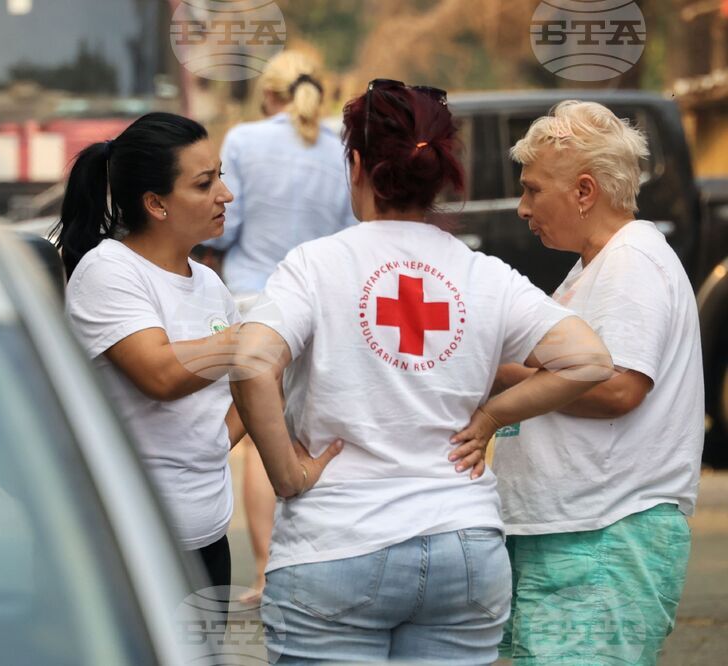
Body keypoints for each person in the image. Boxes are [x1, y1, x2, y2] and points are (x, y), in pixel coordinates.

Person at [229, 81, 614, 665]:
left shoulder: (315, 266)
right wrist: (490, 416)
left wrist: (287, 475)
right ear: (440, 174)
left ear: (355, 163)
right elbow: (589, 359)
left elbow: (253, 361)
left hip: (335, 545)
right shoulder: (483, 273)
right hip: (465, 550)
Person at [493, 101, 705, 665]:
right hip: (581, 533)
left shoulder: (632, 262)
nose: (522, 207)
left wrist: (497, 373)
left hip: (603, 537)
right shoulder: (600, 263)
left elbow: (617, 389)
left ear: (584, 191)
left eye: (534, 190)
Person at [55, 112, 246, 594]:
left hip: (208, 540)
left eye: (220, 176)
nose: (225, 194)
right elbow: (160, 373)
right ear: (156, 204)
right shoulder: (109, 272)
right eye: (205, 184)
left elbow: (241, 389)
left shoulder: (209, 283)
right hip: (134, 547)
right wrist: (252, 338)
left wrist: (210, 444)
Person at [200, 50, 357, 602]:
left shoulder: (243, 141)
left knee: (254, 438)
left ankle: (268, 570)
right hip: (320, 305)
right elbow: (348, 227)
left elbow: (226, 226)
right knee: (310, 433)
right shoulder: (340, 144)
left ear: (269, 94)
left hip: (253, 302)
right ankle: (317, 564)